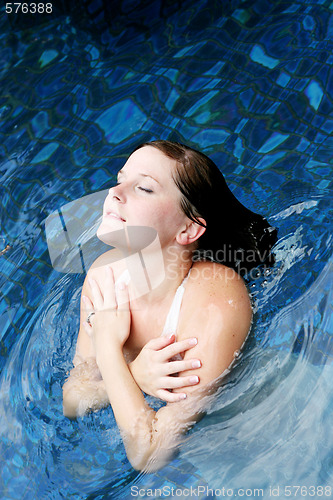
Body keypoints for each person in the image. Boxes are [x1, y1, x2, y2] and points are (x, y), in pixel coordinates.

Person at [62, 140, 277, 471]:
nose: (115, 193)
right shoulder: (104, 274)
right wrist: (135, 374)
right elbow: (73, 400)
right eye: (120, 179)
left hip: (266, 429)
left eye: (144, 188)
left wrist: (107, 346)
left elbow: (148, 455)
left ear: (188, 228)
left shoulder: (216, 298)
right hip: (202, 463)